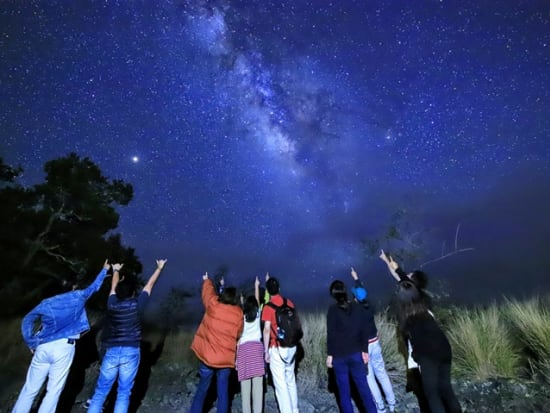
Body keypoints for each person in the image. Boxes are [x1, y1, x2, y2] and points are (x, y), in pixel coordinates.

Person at [12, 260, 111, 413]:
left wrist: (31, 342)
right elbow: (94, 287)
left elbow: (28, 319)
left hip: (43, 346)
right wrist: (104, 270)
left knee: (29, 389)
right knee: (53, 392)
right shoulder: (78, 297)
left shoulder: (46, 303)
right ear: (71, 286)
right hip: (64, 348)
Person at [380, 251, 461, 413]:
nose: (406, 277)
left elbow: (401, 280)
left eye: (409, 276)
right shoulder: (425, 300)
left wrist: (390, 265)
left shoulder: (406, 314)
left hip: (428, 353)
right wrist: (388, 262)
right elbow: (401, 277)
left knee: (432, 395)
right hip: (444, 347)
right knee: (446, 389)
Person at [87, 259, 167, 413]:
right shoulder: (137, 305)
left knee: (100, 392)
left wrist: (116, 270)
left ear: (117, 293)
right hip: (131, 351)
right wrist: (159, 269)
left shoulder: (112, 304)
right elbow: (149, 286)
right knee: (124, 393)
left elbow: (112, 287)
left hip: (112, 351)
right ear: (133, 293)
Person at [189, 272, 243, 413]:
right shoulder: (238, 314)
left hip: (207, 356)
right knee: (223, 392)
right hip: (225, 360)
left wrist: (207, 280)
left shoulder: (213, 305)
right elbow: (238, 334)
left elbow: (208, 293)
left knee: (202, 389)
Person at [326, 280, 377, 413]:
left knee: (344, 393)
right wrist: (365, 351)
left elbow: (331, 335)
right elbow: (363, 331)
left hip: (339, 357)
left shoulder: (332, 311)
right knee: (364, 389)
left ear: (333, 294)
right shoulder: (357, 307)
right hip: (356, 354)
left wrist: (330, 355)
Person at [350, 267, 396, 413]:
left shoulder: (355, 311)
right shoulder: (368, 306)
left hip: (365, 347)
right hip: (375, 342)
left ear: (355, 298)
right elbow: (362, 292)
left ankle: (380, 407)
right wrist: (356, 278)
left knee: (369, 377)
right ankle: (392, 403)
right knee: (381, 373)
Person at [261, 276, 299, 413]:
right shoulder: (289, 302)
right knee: (290, 380)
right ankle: (295, 410)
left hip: (276, 347)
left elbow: (266, 330)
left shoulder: (268, 307)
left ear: (268, 291)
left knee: (280, 385)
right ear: (279, 288)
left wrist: (265, 351)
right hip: (292, 346)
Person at [236, 276, 265, 413]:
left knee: (245, 388)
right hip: (257, 350)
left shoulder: (241, 316)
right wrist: (256, 286)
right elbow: (257, 300)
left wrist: (236, 359)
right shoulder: (258, 313)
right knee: (258, 387)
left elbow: (237, 340)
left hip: (243, 351)